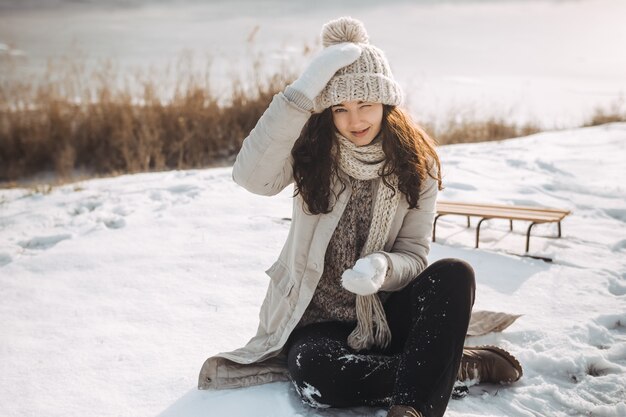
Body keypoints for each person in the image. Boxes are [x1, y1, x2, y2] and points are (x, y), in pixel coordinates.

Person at [198, 16, 522, 417]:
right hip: (317, 320)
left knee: (455, 273)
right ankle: (448, 367)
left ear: (386, 102)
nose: (354, 121)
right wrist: (300, 93)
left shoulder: (417, 166)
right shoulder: (311, 154)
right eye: (340, 108)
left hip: (386, 313)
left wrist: (382, 266)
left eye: (365, 104)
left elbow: (414, 255)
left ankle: (412, 407)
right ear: (327, 111)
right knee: (320, 380)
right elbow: (250, 177)